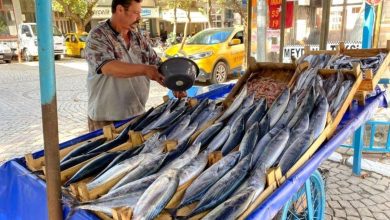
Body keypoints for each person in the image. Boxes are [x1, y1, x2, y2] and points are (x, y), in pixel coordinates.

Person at [85, 0, 186, 132]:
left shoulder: (138, 37)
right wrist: (145, 70)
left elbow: (157, 64)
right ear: (120, 9)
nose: (139, 17)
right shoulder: (98, 35)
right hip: (106, 120)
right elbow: (108, 67)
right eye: (136, 13)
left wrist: (174, 83)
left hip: (136, 116)